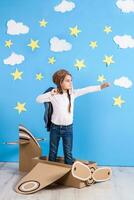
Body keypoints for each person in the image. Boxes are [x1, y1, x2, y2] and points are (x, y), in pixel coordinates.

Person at [36, 69, 110, 165]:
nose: (70, 82)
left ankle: (69, 172)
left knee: (68, 153)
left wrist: (100, 87)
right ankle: (51, 169)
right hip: (55, 128)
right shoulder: (53, 95)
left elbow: (86, 90)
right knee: (52, 152)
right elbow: (38, 99)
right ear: (60, 82)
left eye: (71, 80)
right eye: (67, 80)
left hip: (68, 129)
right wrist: (51, 92)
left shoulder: (72, 94)